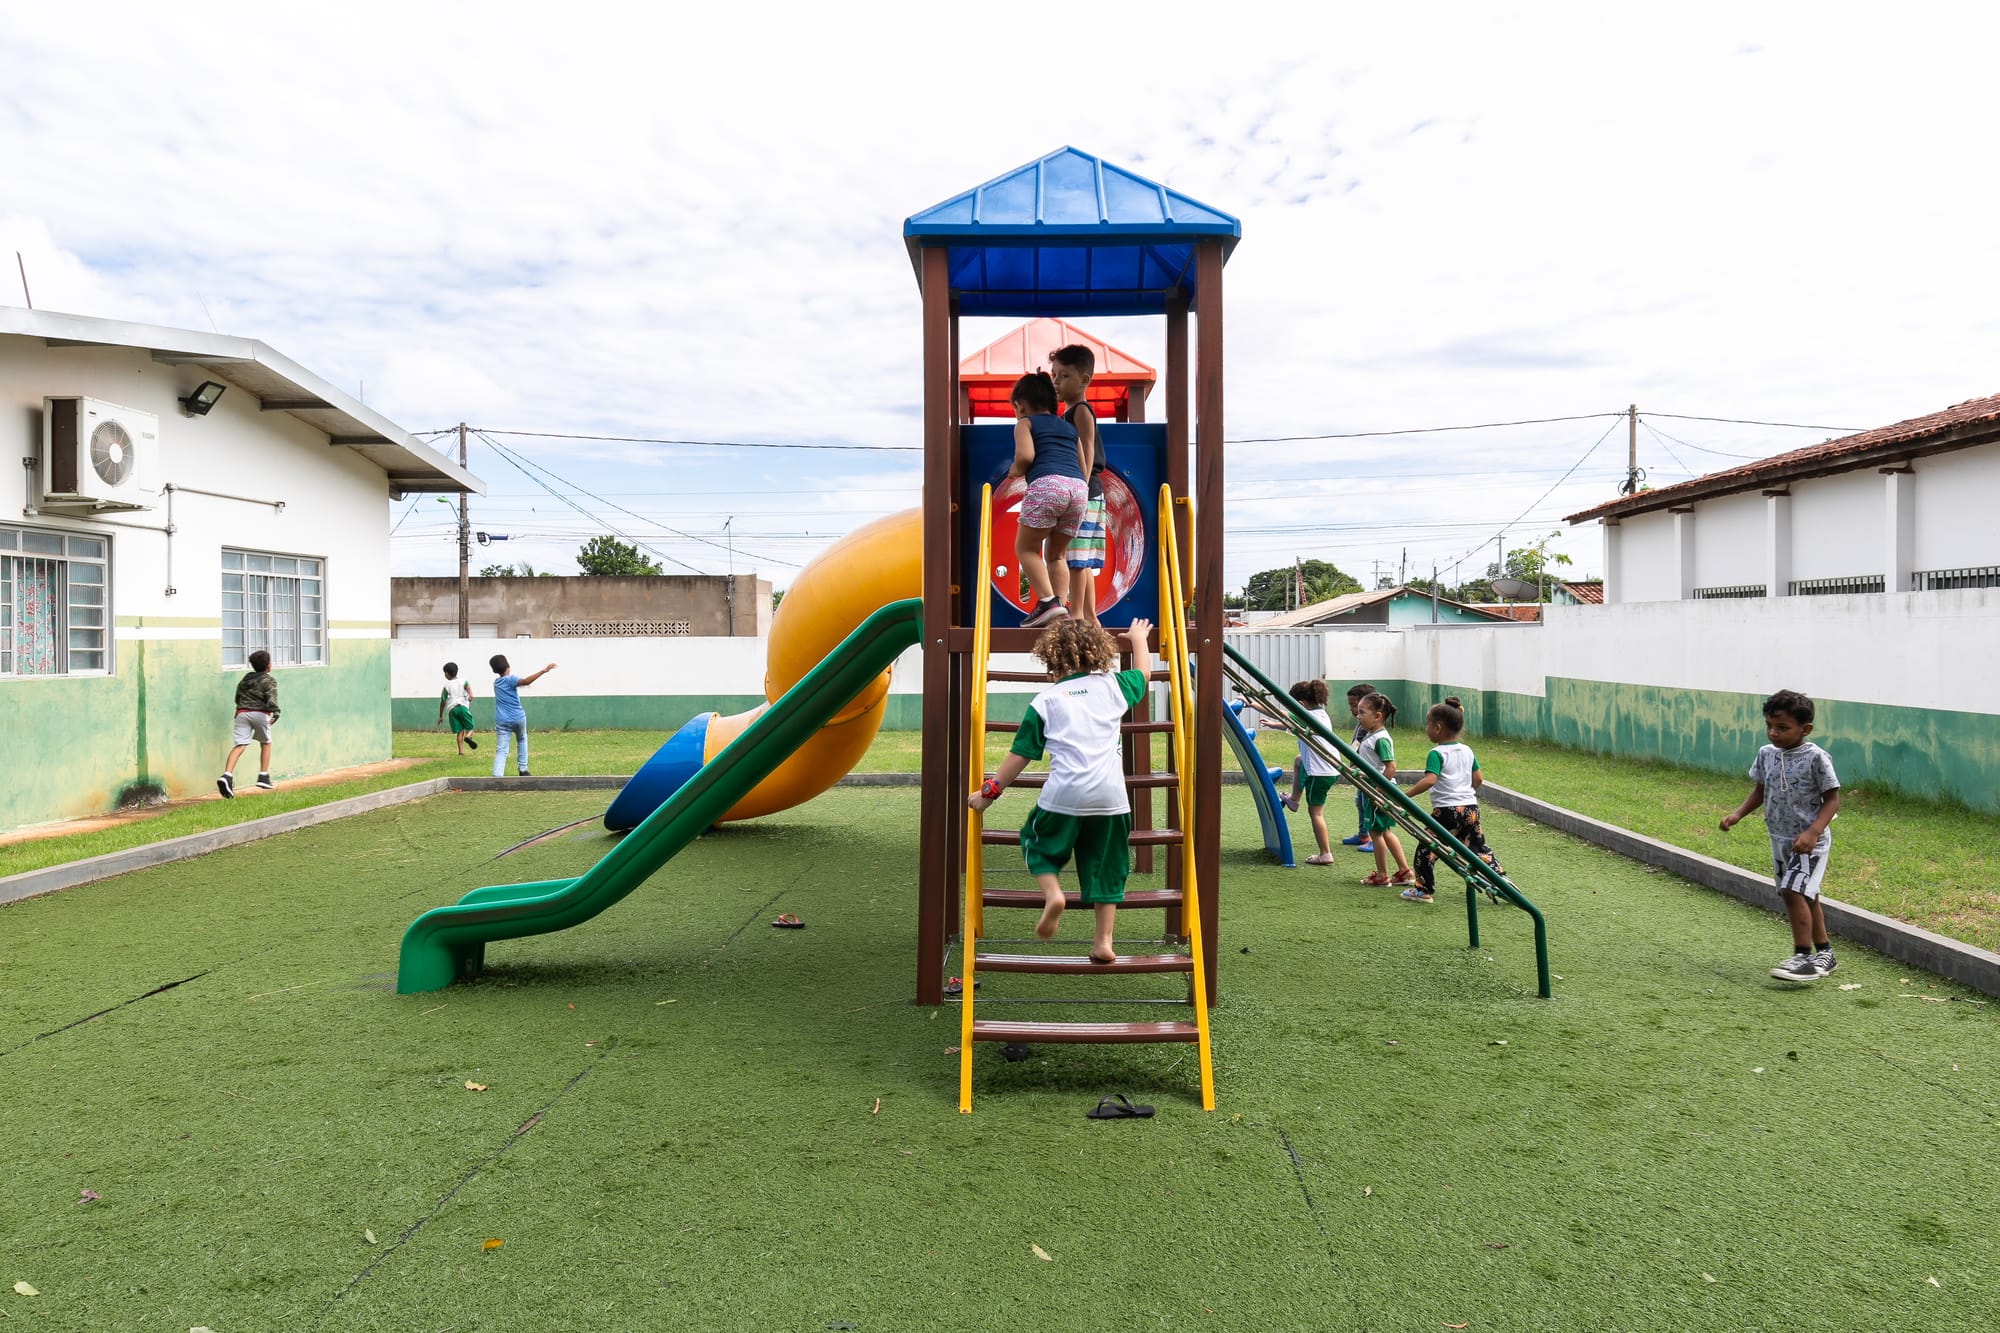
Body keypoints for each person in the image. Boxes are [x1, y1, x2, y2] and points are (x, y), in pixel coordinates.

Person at [968, 617, 1153, 964]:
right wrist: (1138, 639)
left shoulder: (1046, 700)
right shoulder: (1115, 686)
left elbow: (1020, 755)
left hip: (1065, 796)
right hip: (1111, 799)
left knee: (1036, 843)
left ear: (1051, 660)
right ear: (1099, 653)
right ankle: (1103, 941)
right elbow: (1143, 674)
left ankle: (1054, 894)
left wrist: (988, 793)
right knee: (1106, 867)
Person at [1720, 689, 1842, 981]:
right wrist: (1738, 814)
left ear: (1805, 729)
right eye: (1769, 727)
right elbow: (1760, 790)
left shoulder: (1816, 757)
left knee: (1792, 891)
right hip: (1779, 838)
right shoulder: (1766, 755)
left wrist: (1813, 832)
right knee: (1806, 896)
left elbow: (1833, 799)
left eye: (1783, 728)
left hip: (1808, 843)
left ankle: (1803, 957)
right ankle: (1825, 952)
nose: (1773, 733)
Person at [1403, 696, 1503, 904]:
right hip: (1470, 808)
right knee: (1477, 847)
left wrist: (1406, 795)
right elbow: (1478, 779)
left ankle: (1423, 889)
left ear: (1438, 728)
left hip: (1446, 811)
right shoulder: (1467, 750)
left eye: (1427, 725)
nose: (1426, 729)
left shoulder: (1436, 753)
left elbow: (1430, 780)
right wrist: (1465, 793)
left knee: (1427, 849)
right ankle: (1500, 879)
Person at [1006, 370, 1086, 628]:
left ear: (1020, 405)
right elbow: (1083, 465)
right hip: (1077, 489)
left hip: (1047, 485)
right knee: (1057, 554)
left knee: (1026, 548)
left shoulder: (1025, 424)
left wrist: (1016, 469)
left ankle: (1046, 601)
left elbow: (1026, 457)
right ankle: (1060, 606)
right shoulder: (1068, 427)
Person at [1050, 343, 1105, 627]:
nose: (1057, 381)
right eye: (1054, 376)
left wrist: (1079, 489)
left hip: (1086, 490)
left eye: (1064, 376)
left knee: (1075, 559)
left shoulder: (1081, 411)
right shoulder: (1069, 413)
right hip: (1087, 492)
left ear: (1084, 380)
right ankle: (1091, 616)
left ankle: (1077, 614)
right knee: (1081, 558)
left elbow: (1087, 448)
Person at [1273, 679, 1340, 865]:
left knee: (1316, 813)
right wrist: (1273, 724)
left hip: (1320, 773)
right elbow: (1290, 723)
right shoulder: (1319, 714)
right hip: (1328, 767)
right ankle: (1294, 800)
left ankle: (1325, 853)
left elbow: (1283, 715)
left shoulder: (1307, 717)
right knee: (1298, 760)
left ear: (1301, 704)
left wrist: (1254, 704)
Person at [1353, 691, 1415, 888]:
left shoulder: (1380, 738)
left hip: (1377, 789)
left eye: (1362, 712)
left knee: (1376, 833)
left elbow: (1390, 767)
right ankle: (1404, 871)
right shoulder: (1371, 735)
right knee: (1385, 831)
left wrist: (1378, 790)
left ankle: (1381, 875)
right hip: (1375, 787)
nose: (1357, 715)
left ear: (1377, 716)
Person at [217, 649, 280, 799]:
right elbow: (271, 697)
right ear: (268, 666)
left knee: (240, 745)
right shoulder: (268, 680)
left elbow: (237, 698)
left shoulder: (244, 680)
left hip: (242, 713)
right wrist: (276, 712)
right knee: (265, 743)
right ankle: (263, 776)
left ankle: (227, 775)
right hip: (260, 714)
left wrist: (242, 707)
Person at [489, 655, 556, 777]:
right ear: (508, 666)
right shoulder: (511, 679)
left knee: (501, 750)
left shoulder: (496, 683)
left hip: (502, 720)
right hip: (518, 718)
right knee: (522, 739)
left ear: (494, 670)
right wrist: (543, 671)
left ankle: (497, 775)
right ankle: (523, 769)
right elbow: (526, 681)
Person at [1341, 683, 1377, 853]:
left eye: (1355, 706)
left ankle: (1373, 837)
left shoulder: (1371, 729)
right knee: (1360, 802)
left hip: (1368, 773)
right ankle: (1363, 834)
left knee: (1368, 805)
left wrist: (1355, 763)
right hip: (1360, 772)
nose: (1352, 710)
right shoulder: (1361, 723)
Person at [434, 661, 480, 756]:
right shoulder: (463, 681)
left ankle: (461, 752)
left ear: (446, 673)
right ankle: (468, 737)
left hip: (452, 710)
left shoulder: (446, 686)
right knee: (470, 727)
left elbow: (443, 701)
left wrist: (440, 716)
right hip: (462, 707)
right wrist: (471, 695)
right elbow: (468, 687)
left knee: (459, 731)